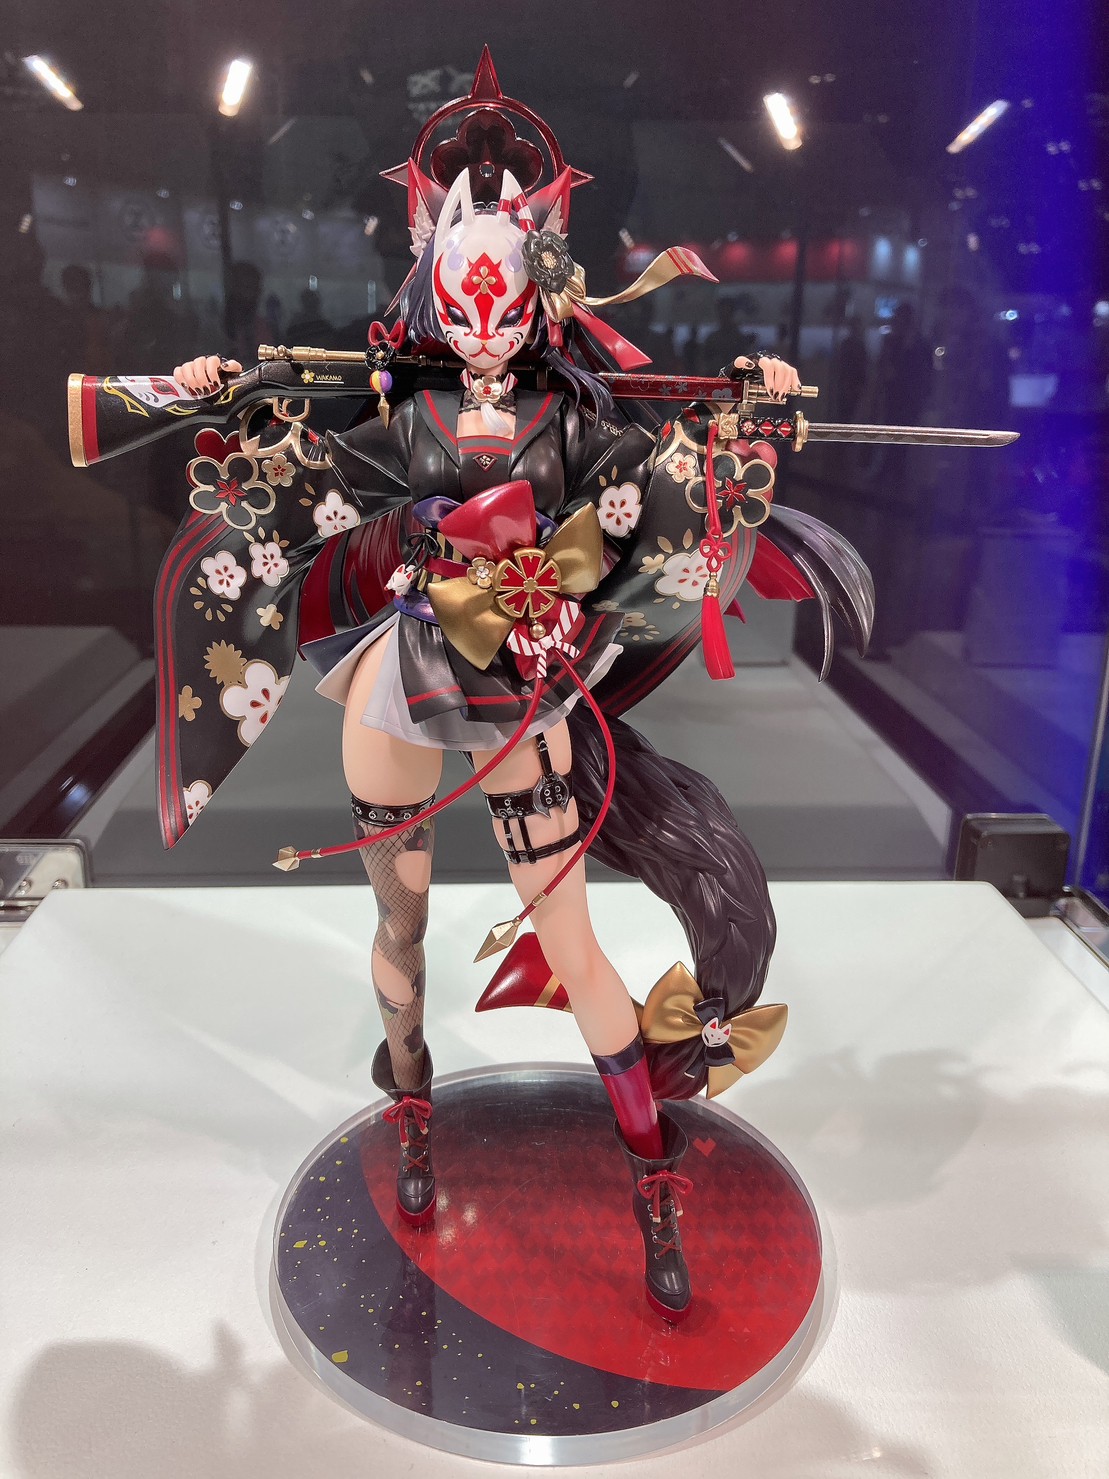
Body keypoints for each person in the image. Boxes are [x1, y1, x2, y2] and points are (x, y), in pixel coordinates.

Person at [165, 49, 869, 1322]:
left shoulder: (575, 420)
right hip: (398, 673)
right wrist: (230, 401)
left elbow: (663, 492)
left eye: (503, 310)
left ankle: (649, 1170)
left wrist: (741, 421)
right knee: (400, 926)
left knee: (571, 939)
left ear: (539, 291)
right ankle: (410, 1091)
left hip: (520, 683)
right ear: (434, 288)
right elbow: (302, 481)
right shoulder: (400, 414)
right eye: (464, 307)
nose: (485, 345)